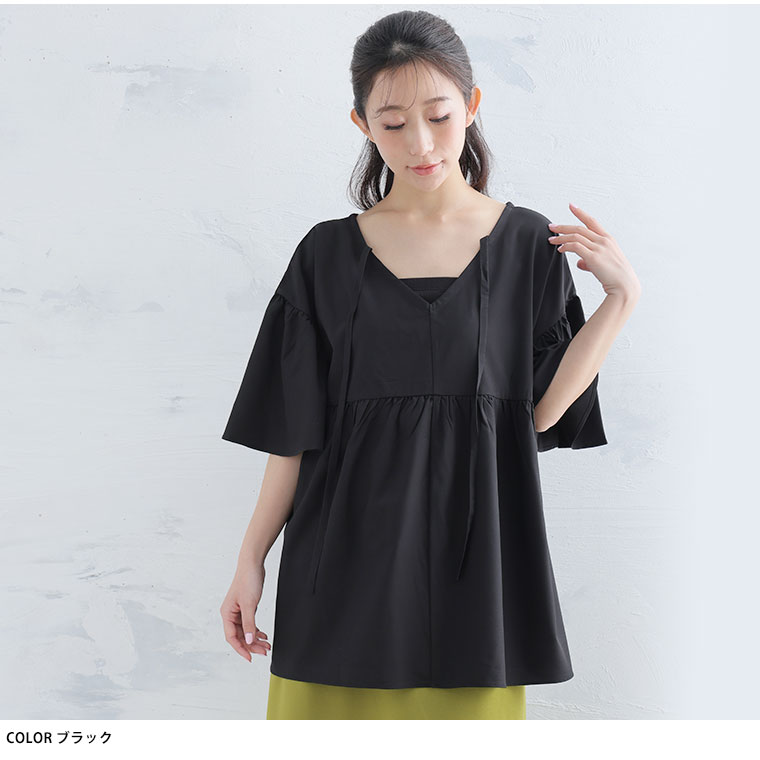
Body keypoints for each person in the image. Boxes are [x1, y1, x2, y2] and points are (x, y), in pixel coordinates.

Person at [219, 9, 641, 720]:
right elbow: (292, 438)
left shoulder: (530, 248)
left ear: (471, 107)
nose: (419, 143)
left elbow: (538, 415)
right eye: (392, 124)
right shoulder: (325, 255)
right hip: (340, 573)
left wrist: (620, 301)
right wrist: (250, 560)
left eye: (439, 116)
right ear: (362, 125)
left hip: (478, 583)